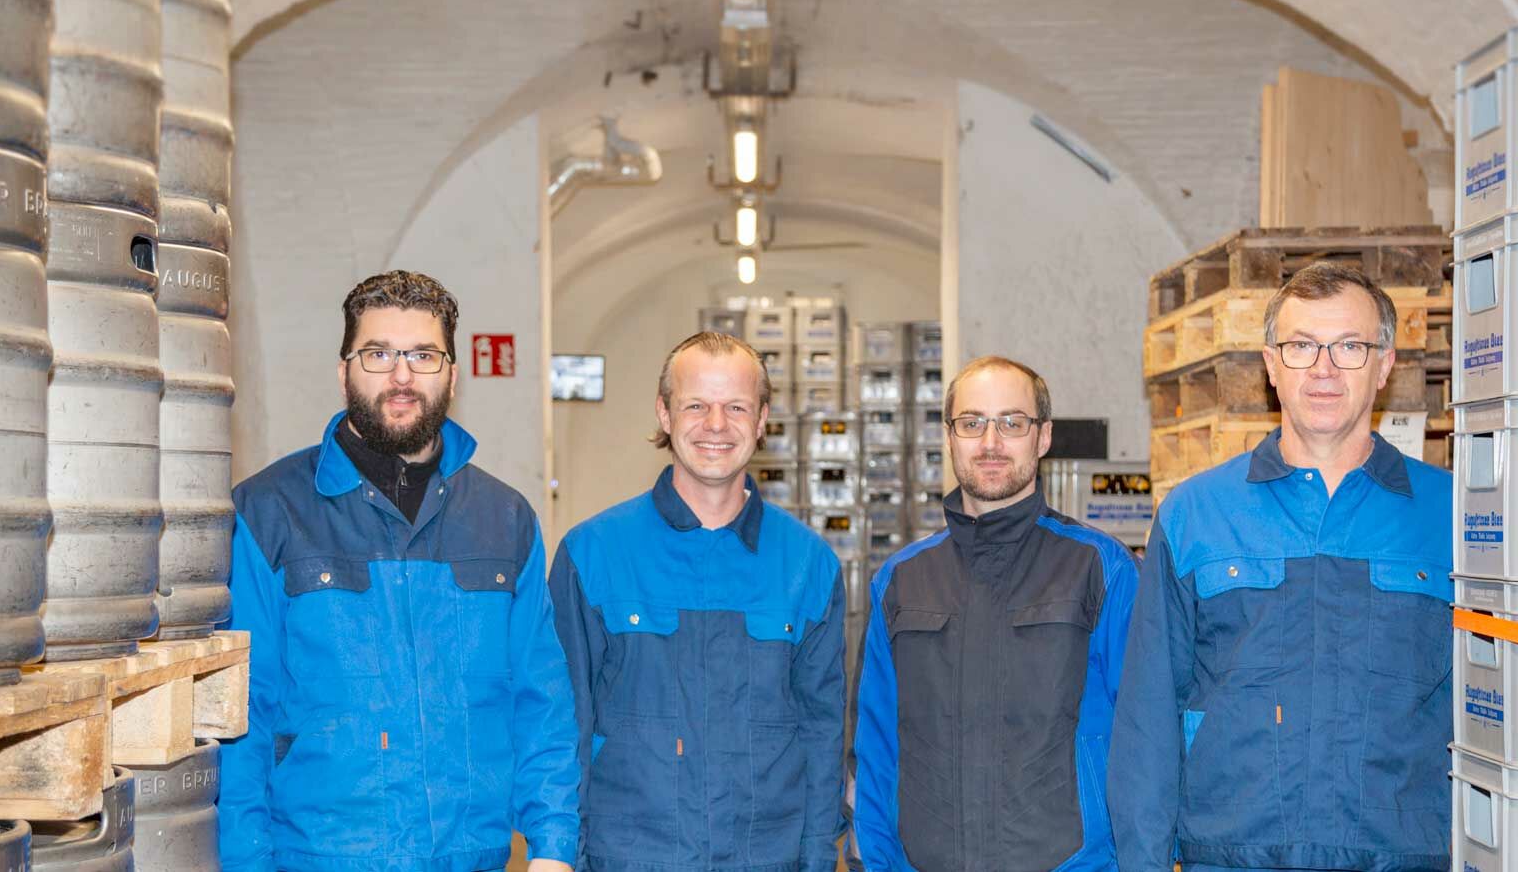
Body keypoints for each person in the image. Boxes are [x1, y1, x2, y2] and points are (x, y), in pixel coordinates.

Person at [219, 271, 580, 872]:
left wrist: (554, 848)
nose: (402, 375)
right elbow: (241, 715)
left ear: (452, 375)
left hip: (470, 858)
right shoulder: (269, 512)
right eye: (378, 354)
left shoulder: (505, 519)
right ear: (344, 372)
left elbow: (540, 699)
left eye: (423, 355)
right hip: (318, 858)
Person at [1109, 263, 1454, 872]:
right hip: (1231, 857)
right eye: (1301, 346)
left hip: (1402, 857)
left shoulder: (1450, 516)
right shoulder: (1196, 514)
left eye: (1349, 346)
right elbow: (1149, 717)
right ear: (1271, 366)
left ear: (1384, 365)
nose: (1323, 368)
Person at [549, 331, 847, 872]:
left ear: (762, 419)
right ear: (664, 413)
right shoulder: (593, 554)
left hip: (766, 860)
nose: (716, 424)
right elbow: (563, 727)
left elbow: (822, 734)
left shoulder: (809, 565)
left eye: (736, 406)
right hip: (630, 860)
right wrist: (562, 855)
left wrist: (818, 859)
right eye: (695, 405)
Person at [852, 355, 1137, 872]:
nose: (990, 442)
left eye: (1011, 422)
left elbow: (1144, 737)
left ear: (1043, 436)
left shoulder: (1101, 568)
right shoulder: (899, 581)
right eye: (972, 423)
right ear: (950, 436)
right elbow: (876, 750)